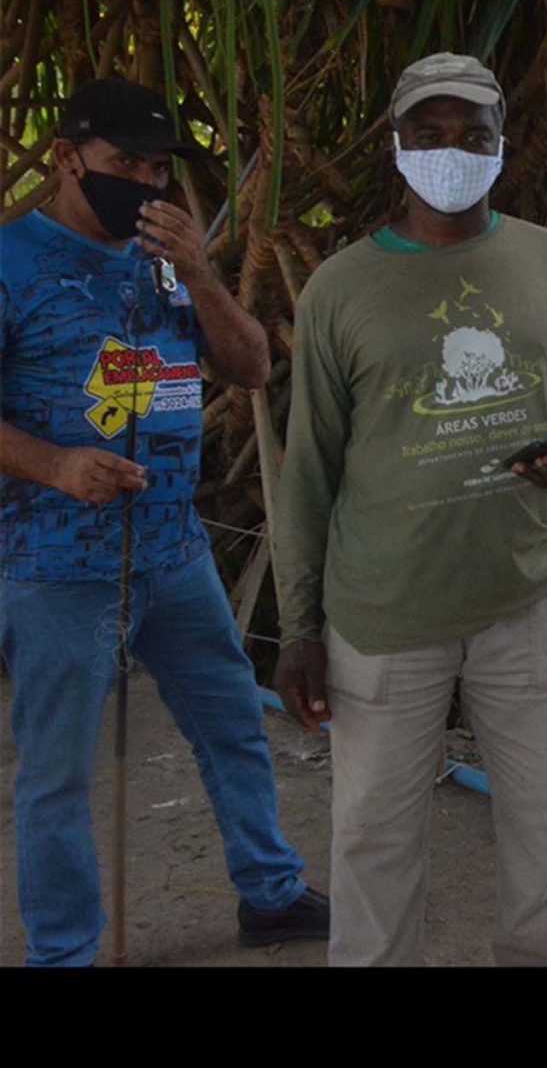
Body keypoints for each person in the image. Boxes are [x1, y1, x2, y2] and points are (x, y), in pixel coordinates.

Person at [270, 52, 547, 965]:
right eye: (428, 134)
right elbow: (309, 470)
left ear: (501, 145)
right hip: (382, 620)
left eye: (472, 134)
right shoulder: (339, 291)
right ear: (395, 146)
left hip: (533, 605)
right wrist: (299, 627)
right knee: (373, 845)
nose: (450, 152)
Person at [0, 78, 326, 965]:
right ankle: (64, 950)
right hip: (56, 565)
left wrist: (201, 274)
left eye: (156, 167)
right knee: (58, 774)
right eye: (122, 162)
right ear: (67, 157)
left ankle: (271, 892)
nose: (144, 182)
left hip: (176, 554)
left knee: (231, 724)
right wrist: (58, 464)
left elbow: (254, 366)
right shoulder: (11, 260)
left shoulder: (166, 256)